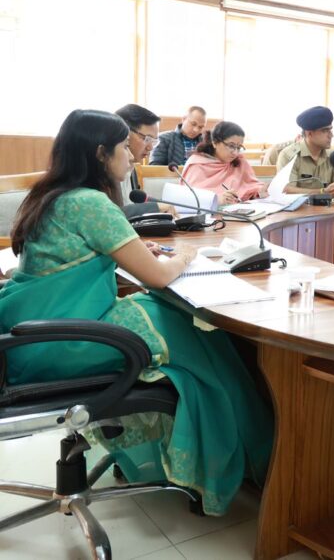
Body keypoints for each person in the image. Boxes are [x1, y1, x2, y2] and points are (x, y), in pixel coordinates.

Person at [0, 109, 272, 516]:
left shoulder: (51, 194)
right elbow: (158, 277)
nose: (131, 155)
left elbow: (77, 255)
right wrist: (185, 256)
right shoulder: (91, 203)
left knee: (172, 320)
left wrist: (131, 250)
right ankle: (248, 460)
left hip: (29, 336)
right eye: (123, 147)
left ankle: (200, 458)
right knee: (202, 335)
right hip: (62, 342)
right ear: (100, 153)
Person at [277, 106, 334, 199]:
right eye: (325, 131)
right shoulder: (289, 155)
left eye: (330, 130)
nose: (331, 135)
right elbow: (286, 190)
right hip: (299, 208)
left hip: (328, 207)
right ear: (309, 134)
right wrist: (322, 192)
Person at [181, 121, 265, 205]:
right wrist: (217, 200)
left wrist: (260, 191)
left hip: (241, 210)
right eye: (231, 146)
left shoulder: (240, 162)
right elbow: (189, 199)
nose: (235, 152)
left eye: (239, 147)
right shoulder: (197, 164)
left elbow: (252, 188)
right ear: (215, 142)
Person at [114, 103, 174, 216]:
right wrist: (154, 208)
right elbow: (111, 214)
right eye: (147, 139)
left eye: (154, 141)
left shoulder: (132, 169)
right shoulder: (106, 169)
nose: (150, 147)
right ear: (125, 132)